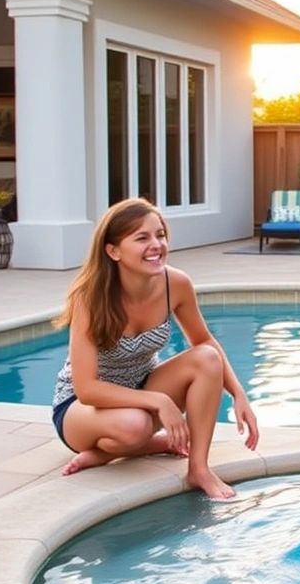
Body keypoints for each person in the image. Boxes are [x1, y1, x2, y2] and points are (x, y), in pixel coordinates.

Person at [50, 198, 258, 497]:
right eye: (142, 238)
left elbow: (204, 342)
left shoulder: (176, 284)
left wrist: (238, 394)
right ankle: (140, 445)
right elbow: (87, 389)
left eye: (160, 235)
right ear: (113, 251)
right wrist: (159, 400)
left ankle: (198, 468)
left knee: (206, 358)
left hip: (142, 389)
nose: (156, 245)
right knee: (133, 425)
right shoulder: (90, 298)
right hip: (82, 409)